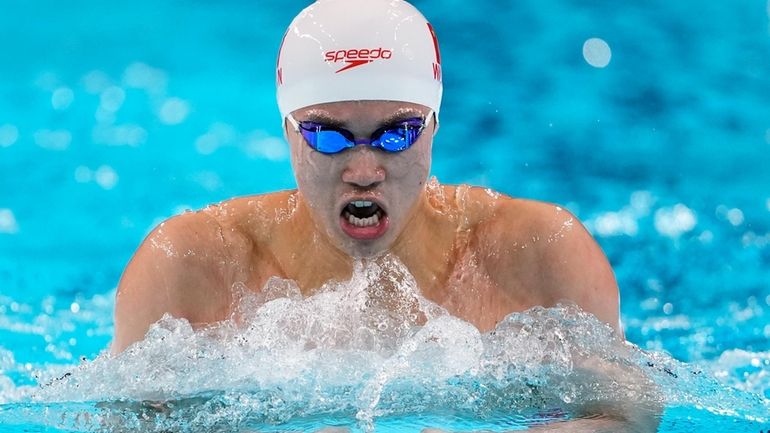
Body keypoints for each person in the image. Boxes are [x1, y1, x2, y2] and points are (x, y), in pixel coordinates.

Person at [112, 0, 655, 430]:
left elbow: (629, 412)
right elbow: (117, 422)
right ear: (286, 131)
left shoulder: (540, 253)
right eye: (329, 136)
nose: (365, 170)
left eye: (397, 134)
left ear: (435, 125)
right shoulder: (185, 266)